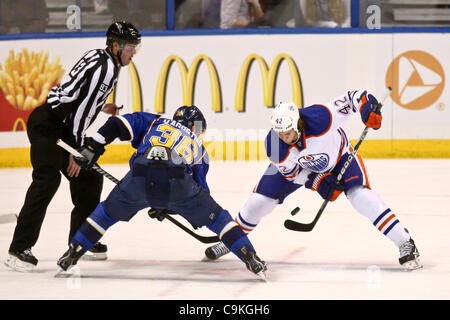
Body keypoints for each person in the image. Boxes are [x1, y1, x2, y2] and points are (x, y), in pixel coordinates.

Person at [204, 90, 422, 271]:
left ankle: (405, 241)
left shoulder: (321, 117)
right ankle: (231, 239)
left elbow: (356, 97)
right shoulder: (274, 144)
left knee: (361, 197)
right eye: (278, 132)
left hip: (339, 157)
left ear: (297, 123)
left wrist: (367, 108)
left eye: (286, 132)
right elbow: (291, 174)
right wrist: (318, 182)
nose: (282, 136)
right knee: (259, 202)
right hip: (300, 168)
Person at [56, 106, 268, 280]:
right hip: (178, 181)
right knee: (219, 218)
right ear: (194, 126)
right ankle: (250, 256)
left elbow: (116, 124)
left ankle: (73, 252)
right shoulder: (200, 149)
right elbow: (198, 191)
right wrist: (168, 205)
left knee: (105, 214)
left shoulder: (155, 121)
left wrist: (94, 147)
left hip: (138, 176)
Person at [4, 21, 141, 272]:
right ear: (115, 46)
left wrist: (103, 107)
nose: (134, 53)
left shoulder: (99, 57)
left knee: (89, 180)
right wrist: (76, 151)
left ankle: (80, 241)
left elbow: (77, 94)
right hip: (50, 126)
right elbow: (77, 111)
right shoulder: (107, 69)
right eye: (131, 48)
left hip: (59, 125)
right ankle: (18, 249)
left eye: (135, 48)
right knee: (47, 180)